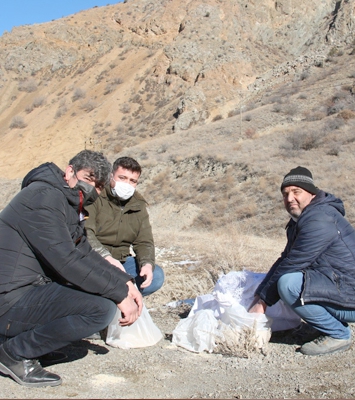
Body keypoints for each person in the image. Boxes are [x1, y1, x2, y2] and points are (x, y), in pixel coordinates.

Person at [0, 150, 143, 387]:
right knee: (100, 309)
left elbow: (84, 251)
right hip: (8, 300)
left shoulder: (66, 202)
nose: (91, 189)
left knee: (99, 296)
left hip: (24, 291)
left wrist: (124, 282)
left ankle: (32, 344)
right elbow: (66, 260)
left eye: (97, 186)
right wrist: (118, 295)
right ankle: (15, 353)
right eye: (88, 179)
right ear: (69, 172)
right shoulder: (43, 198)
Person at [249, 166, 355, 356]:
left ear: (312, 194)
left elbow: (293, 263)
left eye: (296, 192)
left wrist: (261, 304)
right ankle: (328, 324)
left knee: (289, 284)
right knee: (285, 281)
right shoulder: (300, 220)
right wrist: (258, 295)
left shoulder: (319, 219)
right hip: (341, 286)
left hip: (351, 293)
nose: (290, 199)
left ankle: (338, 334)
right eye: (285, 194)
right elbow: (285, 259)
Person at [85, 156, 164, 296]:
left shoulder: (138, 204)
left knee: (156, 276)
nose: (127, 184)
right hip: (94, 259)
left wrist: (146, 264)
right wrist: (106, 258)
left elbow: (144, 241)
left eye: (132, 181)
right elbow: (86, 232)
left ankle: (119, 297)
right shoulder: (96, 196)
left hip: (121, 261)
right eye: (122, 177)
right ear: (111, 176)